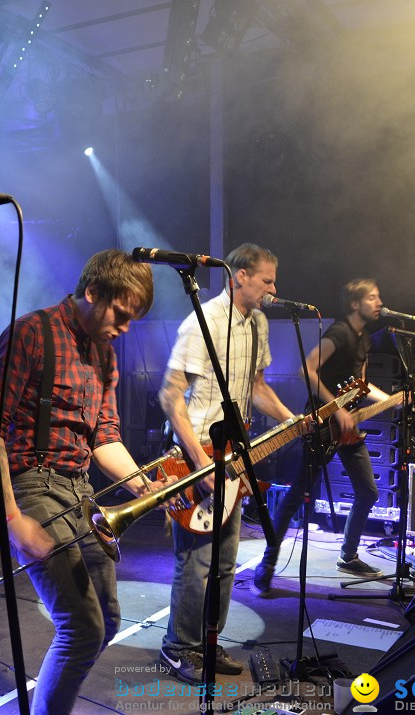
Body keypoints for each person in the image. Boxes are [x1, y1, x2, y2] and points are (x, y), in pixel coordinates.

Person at [0, 249, 170, 715]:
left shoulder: (105, 357)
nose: (125, 328)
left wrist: (144, 487)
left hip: (80, 491)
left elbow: (104, 436)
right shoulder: (32, 333)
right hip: (32, 485)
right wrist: (11, 516)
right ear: (93, 293)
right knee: (82, 627)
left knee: (106, 620)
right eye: (121, 314)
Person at [157, 243, 299, 684]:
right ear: (239, 275)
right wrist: (200, 464)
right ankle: (177, 648)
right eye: (267, 280)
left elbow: (255, 386)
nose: (274, 289)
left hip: (234, 456)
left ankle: (207, 644)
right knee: (196, 561)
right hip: (195, 453)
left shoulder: (258, 323)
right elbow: (169, 396)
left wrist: (293, 421)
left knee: (224, 562)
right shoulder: (203, 322)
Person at [252, 278, 394, 595]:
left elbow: (363, 385)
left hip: (348, 426)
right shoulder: (340, 332)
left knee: (368, 492)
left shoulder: (365, 340)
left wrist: (390, 400)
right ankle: (268, 564)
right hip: (321, 422)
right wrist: (336, 409)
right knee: (295, 497)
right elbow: (308, 369)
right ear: (355, 304)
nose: (379, 301)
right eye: (372, 297)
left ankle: (348, 556)